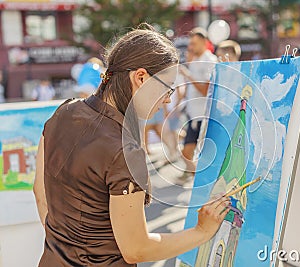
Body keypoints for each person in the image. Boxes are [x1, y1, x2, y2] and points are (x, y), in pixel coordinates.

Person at [33, 24, 231, 267]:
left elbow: (40, 194)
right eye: (167, 87)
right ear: (140, 77)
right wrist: (202, 231)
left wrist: (65, 246)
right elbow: (136, 249)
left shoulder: (63, 112)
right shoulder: (124, 150)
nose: (168, 99)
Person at [179, 28, 217, 179]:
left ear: (203, 42)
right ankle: (197, 178)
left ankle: (202, 181)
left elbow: (205, 90)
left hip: (205, 115)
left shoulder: (210, 61)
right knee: (187, 152)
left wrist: (188, 75)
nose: (191, 46)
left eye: (194, 43)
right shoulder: (194, 60)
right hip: (193, 114)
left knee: (203, 153)